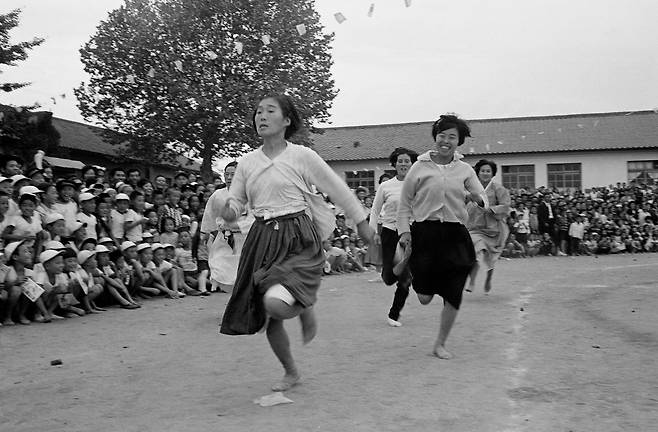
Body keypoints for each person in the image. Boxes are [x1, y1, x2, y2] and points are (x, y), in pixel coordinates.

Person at [219, 94, 373, 392]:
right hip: (262, 239)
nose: (261, 116)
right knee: (270, 315)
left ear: (286, 120)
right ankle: (291, 371)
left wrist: (362, 222)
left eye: (269, 111)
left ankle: (303, 305)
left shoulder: (302, 155)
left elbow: (336, 188)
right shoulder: (248, 162)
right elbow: (236, 201)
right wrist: (230, 210)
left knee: (275, 302)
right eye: (258, 111)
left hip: (298, 236)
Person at [397, 114, 487, 360]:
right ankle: (419, 280)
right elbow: (404, 204)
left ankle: (440, 343)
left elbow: (482, 196)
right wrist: (404, 231)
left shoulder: (465, 169)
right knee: (425, 297)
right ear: (435, 137)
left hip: (455, 234)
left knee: (454, 291)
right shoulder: (419, 166)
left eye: (452, 137)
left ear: (459, 141)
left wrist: (477, 198)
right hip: (425, 233)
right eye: (442, 135)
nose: (446, 141)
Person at [369, 147, 418, 327]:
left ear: (412, 164)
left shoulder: (418, 184)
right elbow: (374, 211)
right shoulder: (386, 186)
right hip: (390, 233)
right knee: (390, 277)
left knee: (406, 278)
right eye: (400, 161)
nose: (404, 164)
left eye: (407, 161)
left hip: (411, 234)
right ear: (394, 164)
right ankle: (387, 273)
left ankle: (394, 314)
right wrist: (374, 232)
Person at [465, 159, 511, 294]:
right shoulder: (471, 188)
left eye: (488, 171)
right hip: (475, 227)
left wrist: (490, 209)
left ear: (492, 174)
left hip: (493, 229)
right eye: (482, 171)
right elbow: (462, 201)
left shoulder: (499, 189)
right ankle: (472, 281)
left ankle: (489, 278)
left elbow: (506, 205)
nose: (485, 173)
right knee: (473, 254)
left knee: (490, 259)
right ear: (477, 173)